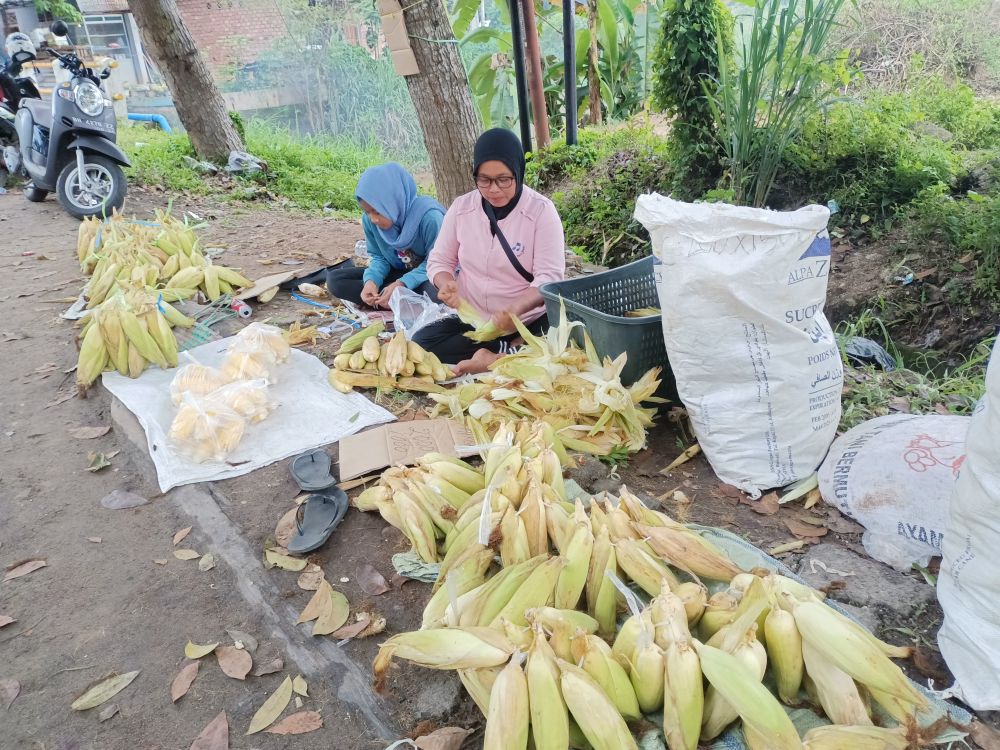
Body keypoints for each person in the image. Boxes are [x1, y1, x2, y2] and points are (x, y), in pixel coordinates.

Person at [416, 128, 566, 373]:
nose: (493, 189)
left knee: (562, 326)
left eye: (503, 179)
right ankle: (507, 354)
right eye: (484, 179)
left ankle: (499, 353)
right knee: (423, 343)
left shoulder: (541, 212)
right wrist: (445, 284)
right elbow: (439, 261)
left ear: (518, 172)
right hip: (476, 321)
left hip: (526, 320)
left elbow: (548, 279)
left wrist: (514, 310)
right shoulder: (462, 209)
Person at [326, 163, 444, 309]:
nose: (373, 219)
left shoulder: (430, 218)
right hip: (396, 274)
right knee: (335, 280)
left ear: (394, 201)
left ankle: (394, 300)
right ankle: (392, 300)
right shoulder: (370, 222)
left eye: (377, 211)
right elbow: (379, 257)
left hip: (425, 275)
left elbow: (438, 263)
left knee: (437, 292)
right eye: (367, 212)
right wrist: (371, 282)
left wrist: (402, 284)